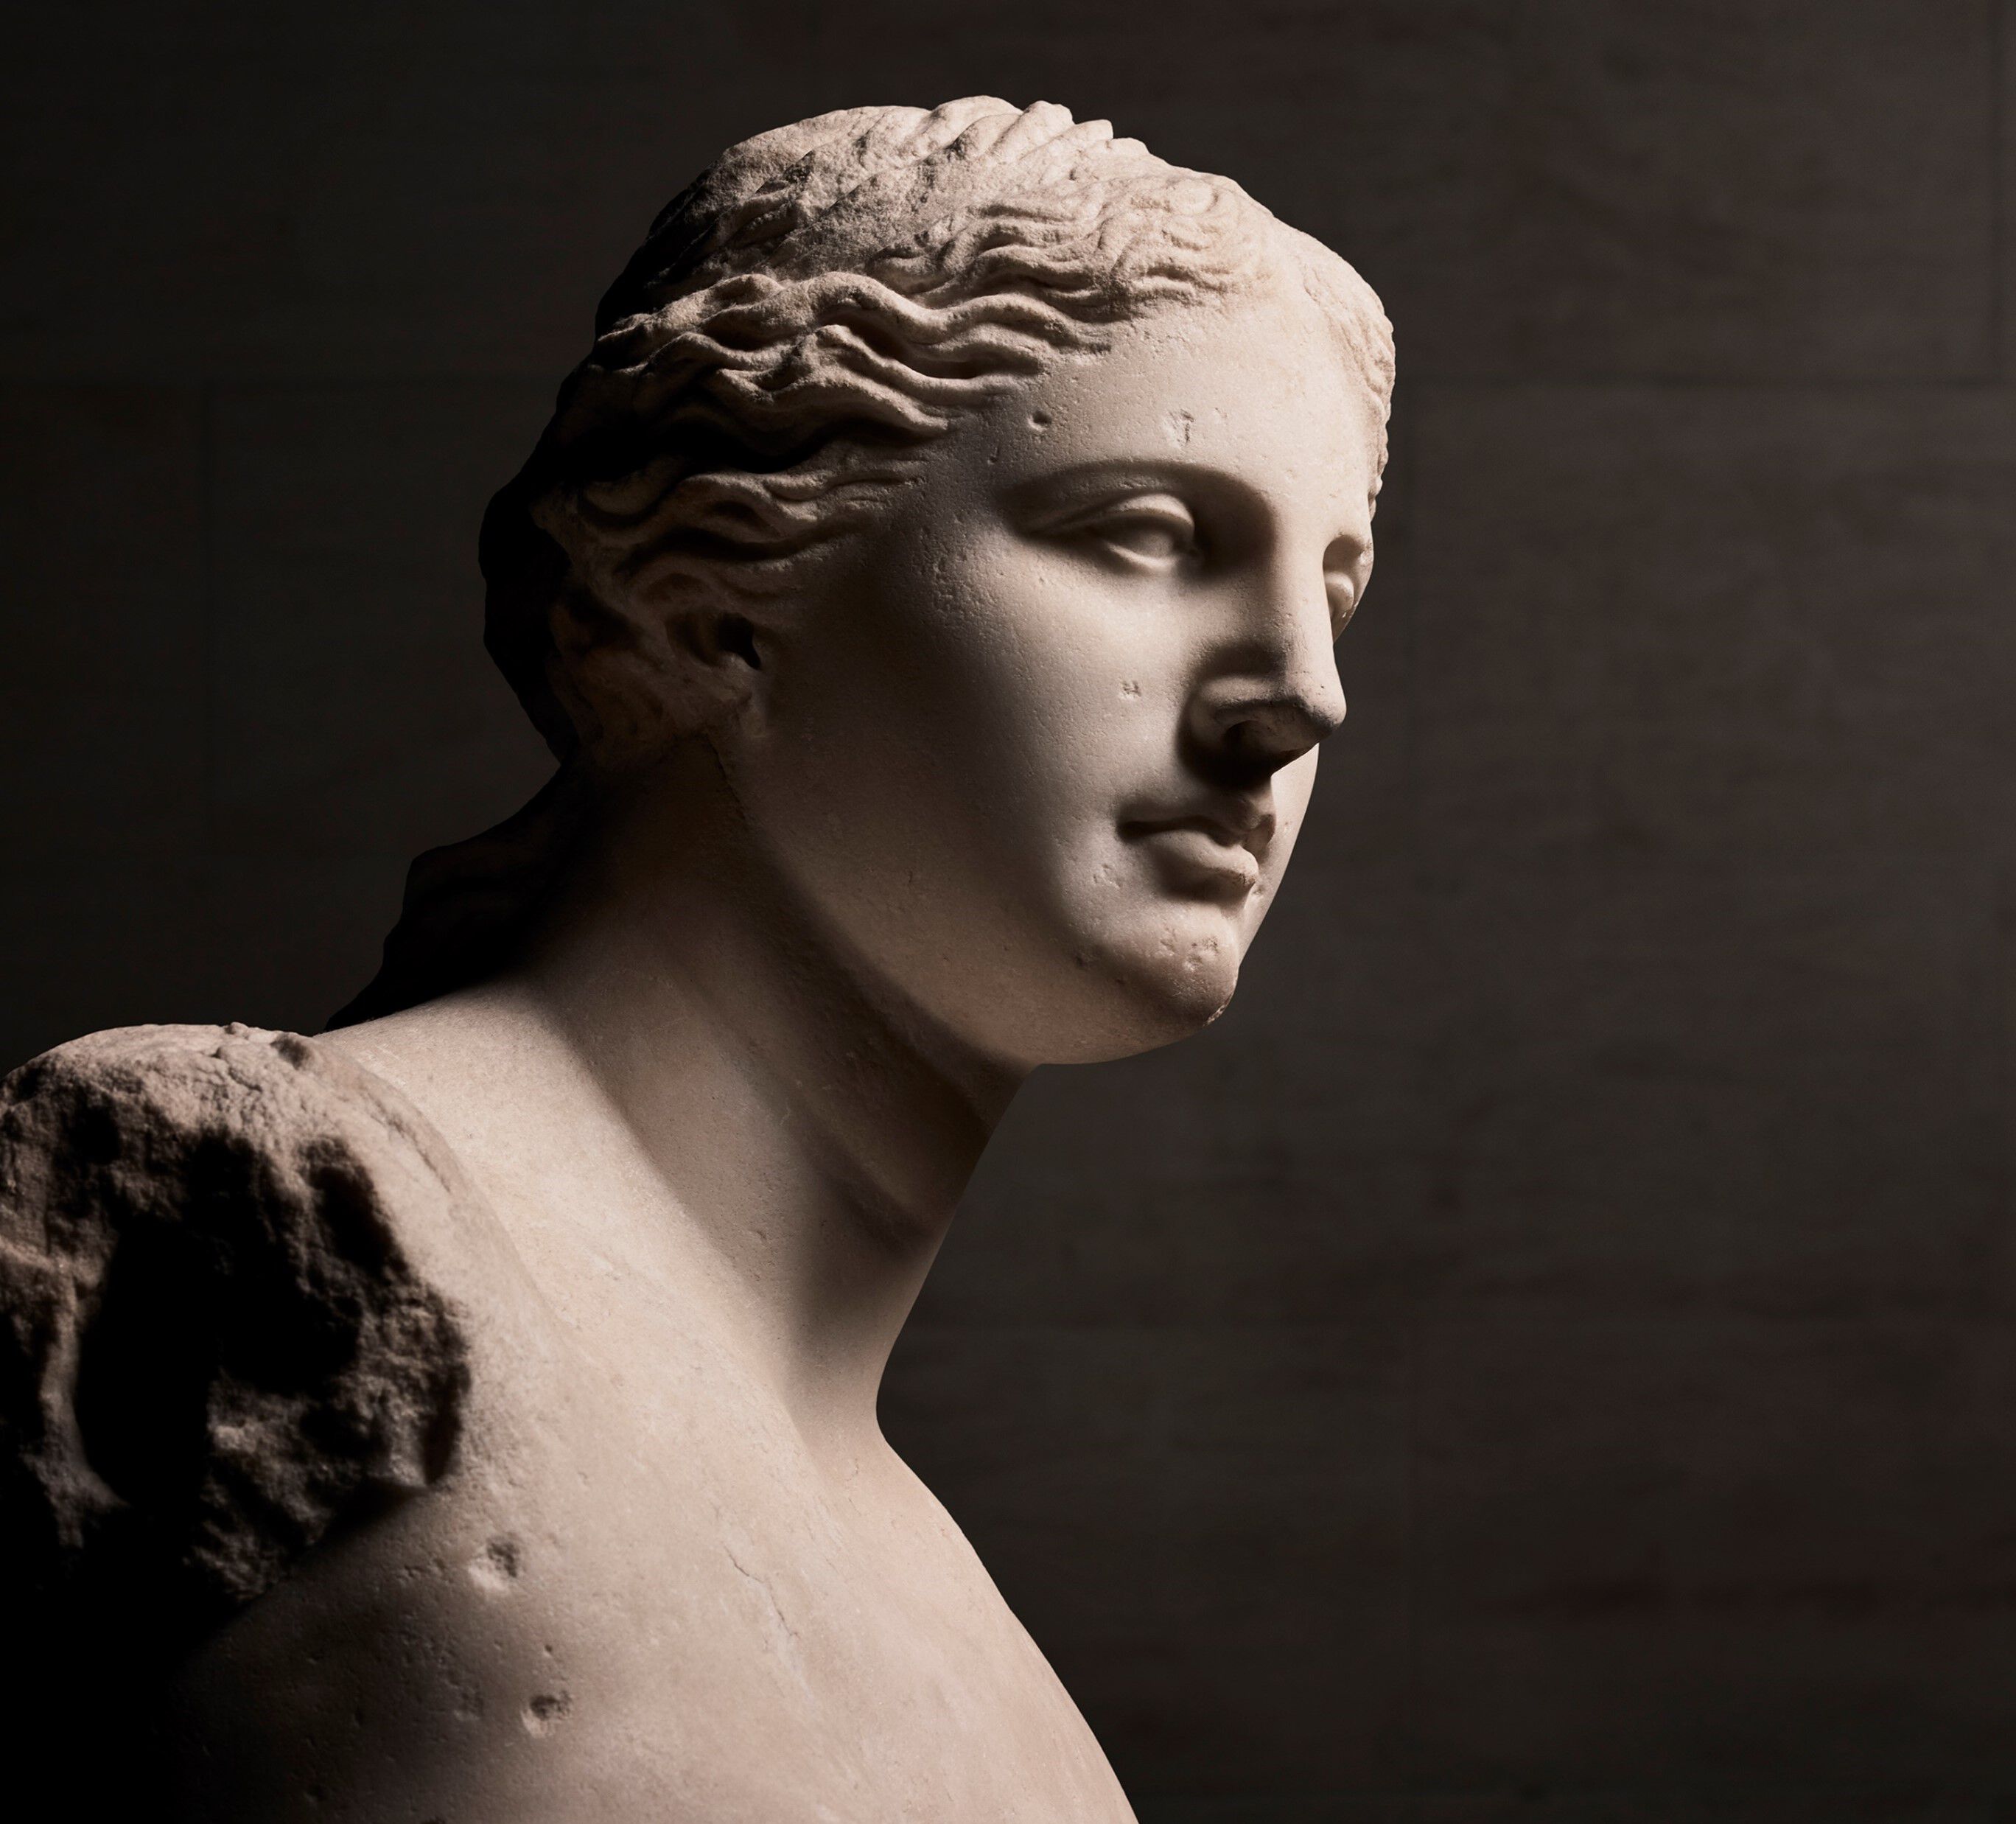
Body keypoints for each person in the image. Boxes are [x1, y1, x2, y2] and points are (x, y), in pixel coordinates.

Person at [0, 96, 1393, 1821]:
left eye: (1333, 586)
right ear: (708, 585)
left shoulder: (930, 1577)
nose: (1299, 692)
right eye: (1148, 535)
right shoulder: (250, 1218)